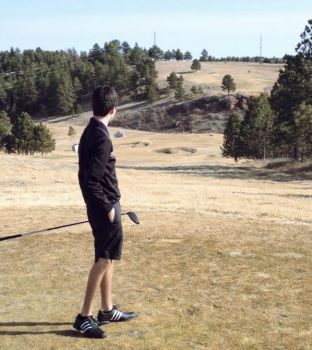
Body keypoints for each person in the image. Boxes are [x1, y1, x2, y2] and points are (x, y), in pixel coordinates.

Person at [73, 86, 136, 339]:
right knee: (103, 260)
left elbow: (87, 176)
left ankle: (107, 310)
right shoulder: (100, 136)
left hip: (102, 205)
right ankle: (84, 317)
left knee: (108, 257)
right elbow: (91, 180)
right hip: (105, 206)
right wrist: (107, 207)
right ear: (113, 110)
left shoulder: (91, 130)